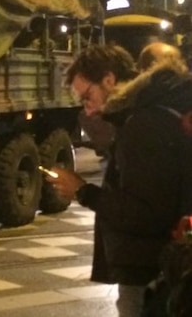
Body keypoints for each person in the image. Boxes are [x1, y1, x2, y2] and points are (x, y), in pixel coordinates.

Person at [47, 44, 192, 317]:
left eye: (87, 96)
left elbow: (147, 213)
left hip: (151, 273)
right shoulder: (154, 113)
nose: (87, 110)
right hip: (162, 267)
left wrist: (82, 191)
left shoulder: (142, 126)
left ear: (109, 80)